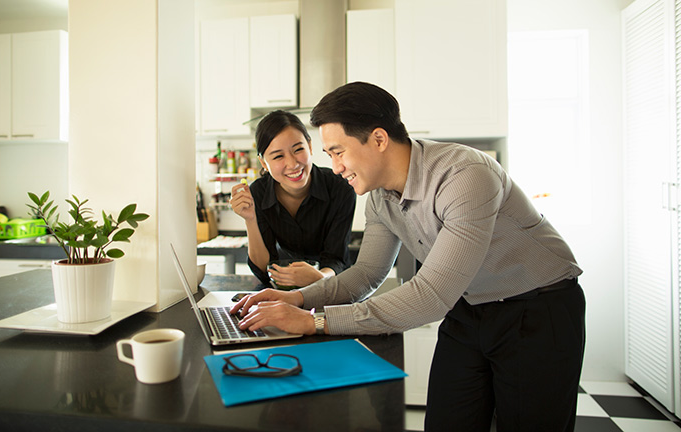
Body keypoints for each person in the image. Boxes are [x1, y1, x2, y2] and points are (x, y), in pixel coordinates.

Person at [230, 82, 585, 432]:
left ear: (379, 140)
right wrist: (296, 298)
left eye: (338, 151)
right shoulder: (380, 197)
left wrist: (315, 322)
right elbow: (367, 274)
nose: (335, 167)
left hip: (539, 308)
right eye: (330, 155)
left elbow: (432, 295)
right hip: (468, 308)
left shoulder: (464, 176)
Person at [229, 110, 356, 289]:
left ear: (310, 147)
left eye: (298, 150)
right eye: (278, 156)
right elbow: (262, 270)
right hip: (283, 288)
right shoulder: (258, 193)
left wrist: (318, 276)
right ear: (264, 163)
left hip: (330, 287)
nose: (293, 164)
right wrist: (250, 219)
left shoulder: (340, 187)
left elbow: (337, 259)